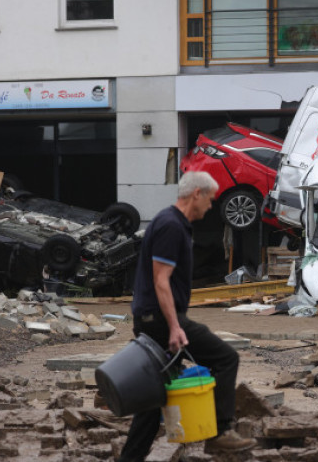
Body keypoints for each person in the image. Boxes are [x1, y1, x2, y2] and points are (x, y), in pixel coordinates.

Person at [118, 171, 256, 461]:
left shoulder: (170, 222)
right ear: (197, 194)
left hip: (150, 319)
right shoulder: (171, 226)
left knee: (153, 398)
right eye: (210, 199)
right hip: (159, 321)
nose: (211, 206)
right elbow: (161, 281)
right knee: (226, 358)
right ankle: (219, 433)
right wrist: (174, 327)